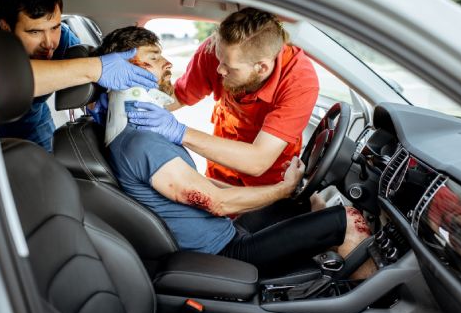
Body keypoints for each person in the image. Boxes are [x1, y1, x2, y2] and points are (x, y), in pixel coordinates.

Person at [103, 26, 371, 272]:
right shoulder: (142, 142)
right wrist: (282, 189)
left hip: (224, 232)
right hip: (224, 252)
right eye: (153, 57)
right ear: (122, 71)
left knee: (301, 202)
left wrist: (279, 194)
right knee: (346, 220)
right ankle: (373, 309)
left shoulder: (141, 133)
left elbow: (203, 186)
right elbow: (217, 203)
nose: (168, 63)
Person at [127, 7, 319, 187]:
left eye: (229, 67)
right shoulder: (217, 51)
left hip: (269, 173)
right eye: (219, 60)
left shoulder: (299, 81)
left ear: (262, 68)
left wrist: (178, 131)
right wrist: (129, 107)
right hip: (221, 156)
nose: (219, 69)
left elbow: (258, 161)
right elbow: (178, 96)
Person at [0, 0, 157, 151]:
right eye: (35, 32)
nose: (49, 43)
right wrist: (96, 68)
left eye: (54, 27)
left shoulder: (64, 39)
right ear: (6, 27)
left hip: (34, 120)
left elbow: (90, 79)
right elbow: (10, 81)